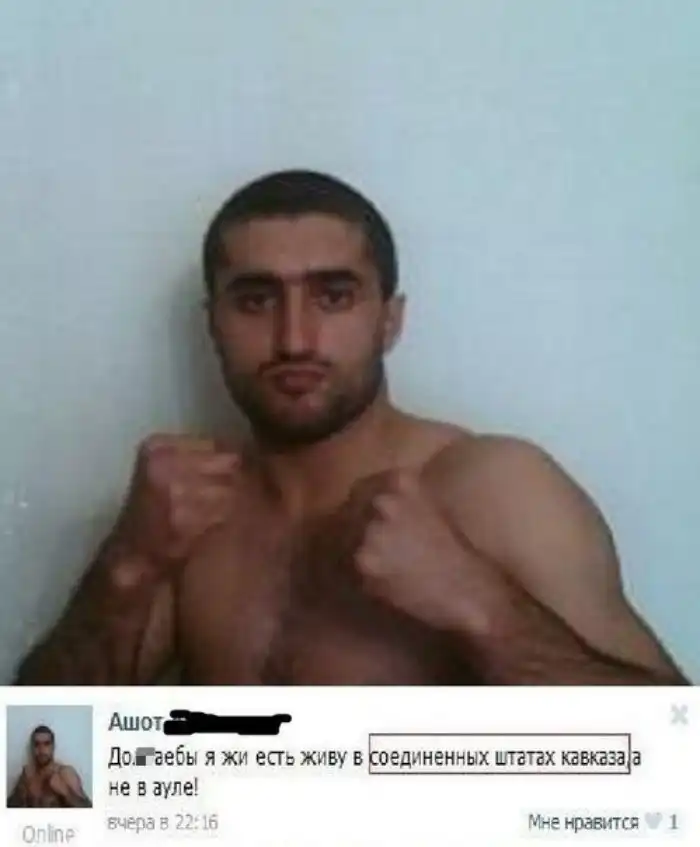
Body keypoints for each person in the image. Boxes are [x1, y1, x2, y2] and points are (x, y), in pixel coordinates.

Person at [14, 170, 688, 686]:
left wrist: (482, 606)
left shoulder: (493, 490)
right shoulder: (187, 513)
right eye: (256, 300)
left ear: (390, 320)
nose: (294, 339)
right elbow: (38, 780)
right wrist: (128, 565)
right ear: (213, 323)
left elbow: (677, 771)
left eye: (333, 296)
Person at [7, 725, 92, 808]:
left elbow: (88, 808)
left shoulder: (65, 773)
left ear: (53, 747)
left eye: (46, 744)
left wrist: (66, 792)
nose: (41, 750)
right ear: (32, 748)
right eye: (36, 744)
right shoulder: (28, 774)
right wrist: (20, 790)